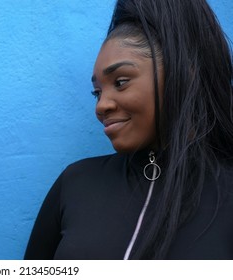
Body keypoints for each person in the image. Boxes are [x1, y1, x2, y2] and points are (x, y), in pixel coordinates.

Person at [25, 0, 233, 260]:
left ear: (184, 75)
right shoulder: (75, 184)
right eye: (97, 92)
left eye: (120, 82)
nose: (101, 106)